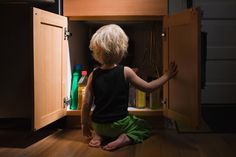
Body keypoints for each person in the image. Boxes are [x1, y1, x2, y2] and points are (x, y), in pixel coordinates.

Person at [81, 24, 178, 151]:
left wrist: (84, 123)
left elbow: (86, 102)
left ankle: (99, 136)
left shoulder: (93, 74)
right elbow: (148, 87)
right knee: (144, 126)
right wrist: (167, 75)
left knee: (103, 127)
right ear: (122, 50)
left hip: (98, 124)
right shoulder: (126, 72)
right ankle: (124, 138)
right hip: (119, 124)